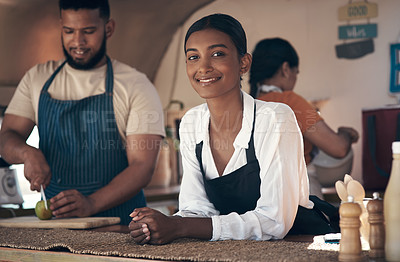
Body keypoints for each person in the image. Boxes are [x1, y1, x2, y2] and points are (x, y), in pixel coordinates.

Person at [128, 13, 326, 245]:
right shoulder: (192, 122)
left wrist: (179, 226)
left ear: (244, 63)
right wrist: (155, 224)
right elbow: (196, 209)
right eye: (193, 57)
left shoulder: (274, 118)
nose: (203, 67)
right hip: (233, 251)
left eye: (217, 54)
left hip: (298, 247)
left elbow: (274, 222)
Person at [0, 0, 165, 225]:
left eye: (88, 31)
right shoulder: (37, 79)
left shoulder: (136, 85)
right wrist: (27, 154)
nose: (78, 42)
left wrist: (91, 203)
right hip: (58, 226)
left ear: (108, 29)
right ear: (61, 27)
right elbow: (7, 137)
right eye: (69, 31)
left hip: (123, 226)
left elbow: (142, 167)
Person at [249, 37, 359, 199]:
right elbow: (338, 148)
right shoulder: (288, 102)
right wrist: (346, 133)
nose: (295, 78)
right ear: (286, 69)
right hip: (299, 194)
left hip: (260, 197)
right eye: (296, 73)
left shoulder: (247, 105)